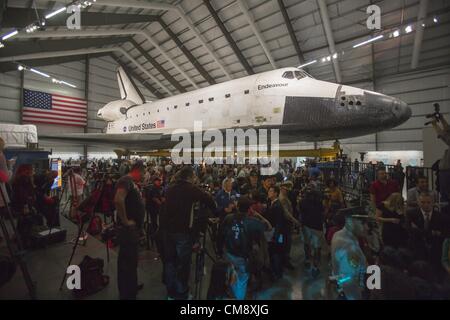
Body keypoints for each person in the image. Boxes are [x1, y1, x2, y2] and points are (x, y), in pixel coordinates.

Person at [162, 166, 216, 300]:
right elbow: (209, 201)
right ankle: (182, 293)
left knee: (170, 262)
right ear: (190, 177)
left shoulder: (170, 188)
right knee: (183, 264)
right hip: (183, 232)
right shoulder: (191, 189)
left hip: (168, 231)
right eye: (194, 177)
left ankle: (170, 292)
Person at [217, 197, 265, 300]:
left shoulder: (228, 218)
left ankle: (231, 292)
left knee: (231, 274)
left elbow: (220, 235)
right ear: (249, 209)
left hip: (229, 254)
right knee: (242, 280)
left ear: (237, 207)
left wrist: (219, 251)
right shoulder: (253, 222)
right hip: (242, 257)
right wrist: (257, 215)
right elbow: (267, 227)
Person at [114, 162, 146, 300]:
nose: (144, 176)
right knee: (126, 261)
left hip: (133, 229)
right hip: (127, 230)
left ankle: (131, 286)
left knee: (132, 260)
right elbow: (118, 200)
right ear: (138, 171)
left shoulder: (131, 182)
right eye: (143, 173)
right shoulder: (125, 180)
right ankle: (126, 293)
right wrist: (126, 221)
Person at [330, 207, 370, 300]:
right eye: (363, 223)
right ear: (351, 222)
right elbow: (350, 283)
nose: (367, 227)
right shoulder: (350, 249)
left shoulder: (339, 234)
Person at [406, 192, 448, 273]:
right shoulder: (411, 214)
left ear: (433, 202)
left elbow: (444, 234)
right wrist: (432, 233)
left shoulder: (442, 217)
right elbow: (409, 230)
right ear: (418, 202)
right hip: (417, 249)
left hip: (435, 252)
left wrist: (418, 230)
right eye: (423, 202)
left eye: (428, 202)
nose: (426, 205)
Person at [299, 186, 325, 278]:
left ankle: (307, 259)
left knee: (307, 244)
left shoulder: (302, 202)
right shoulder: (319, 203)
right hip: (317, 227)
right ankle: (315, 266)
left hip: (306, 226)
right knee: (317, 247)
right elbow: (323, 213)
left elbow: (301, 213)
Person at [265, 186, 289, 280]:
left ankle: (277, 273)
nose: (269, 192)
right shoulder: (271, 203)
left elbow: (279, 222)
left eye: (271, 191)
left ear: (275, 193)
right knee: (273, 252)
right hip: (272, 231)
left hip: (277, 232)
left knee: (277, 253)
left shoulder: (277, 205)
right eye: (269, 191)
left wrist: (276, 235)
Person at [279, 181, 300, 270]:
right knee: (286, 243)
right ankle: (285, 261)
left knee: (285, 242)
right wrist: (294, 221)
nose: (288, 190)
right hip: (285, 225)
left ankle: (284, 258)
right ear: (282, 188)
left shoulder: (284, 197)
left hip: (285, 224)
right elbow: (286, 213)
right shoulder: (283, 199)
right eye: (286, 189)